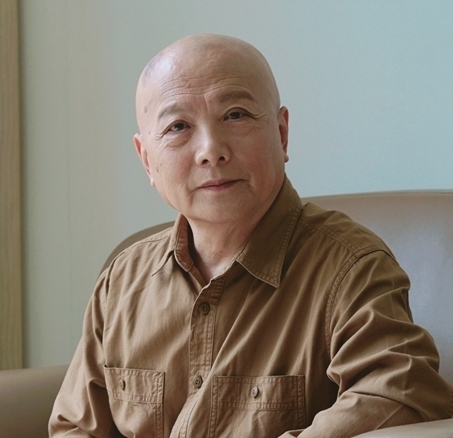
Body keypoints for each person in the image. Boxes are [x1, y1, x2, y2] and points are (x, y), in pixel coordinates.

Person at [49, 33, 452, 437]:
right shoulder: (123, 280)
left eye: (235, 115)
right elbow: (76, 426)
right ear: (146, 160)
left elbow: (401, 395)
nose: (211, 150)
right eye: (178, 126)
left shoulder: (352, 267)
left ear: (281, 133)